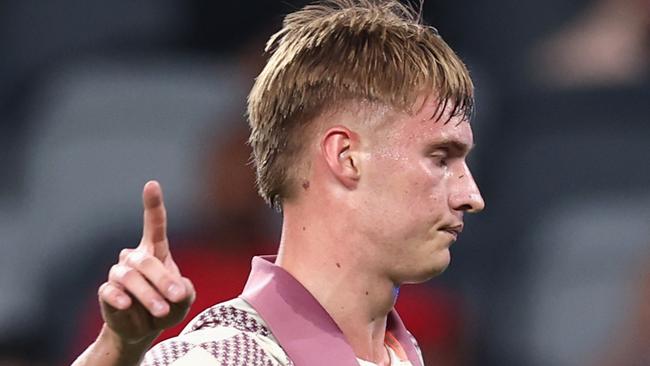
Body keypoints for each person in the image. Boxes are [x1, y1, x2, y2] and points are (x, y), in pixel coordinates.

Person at [72, 0, 485, 365]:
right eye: (441, 158)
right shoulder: (217, 358)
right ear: (346, 158)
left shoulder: (404, 353)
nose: (471, 196)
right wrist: (120, 349)